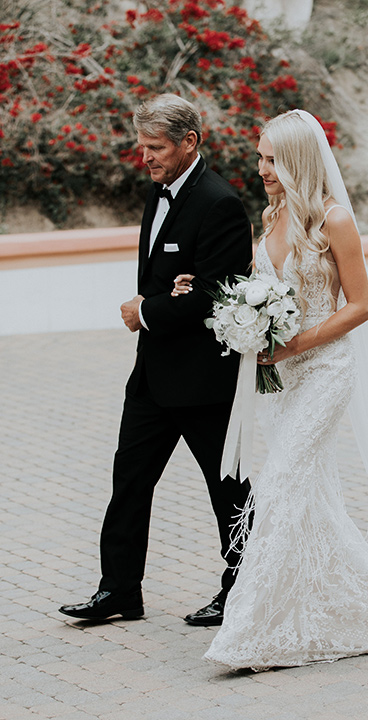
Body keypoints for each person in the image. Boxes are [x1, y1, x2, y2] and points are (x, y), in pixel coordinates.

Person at [175, 109, 368, 670]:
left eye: (270, 159)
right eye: (260, 157)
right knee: (308, 498)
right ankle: (321, 601)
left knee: (282, 484)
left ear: (295, 160)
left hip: (325, 372)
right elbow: (256, 291)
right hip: (281, 381)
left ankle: (257, 629)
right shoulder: (270, 218)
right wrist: (208, 291)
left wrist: (298, 344)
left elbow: (361, 306)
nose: (259, 168)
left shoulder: (333, 220)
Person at [58, 93, 253, 626]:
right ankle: (119, 591)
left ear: (190, 142)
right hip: (151, 376)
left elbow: (216, 294)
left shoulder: (220, 203)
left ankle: (241, 589)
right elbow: (174, 283)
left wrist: (148, 310)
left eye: (156, 147)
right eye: (141, 146)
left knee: (228, 491)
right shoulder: (158, 192)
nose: (145, 157)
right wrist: (166, 299)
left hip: (203, 379)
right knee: (129, 482)